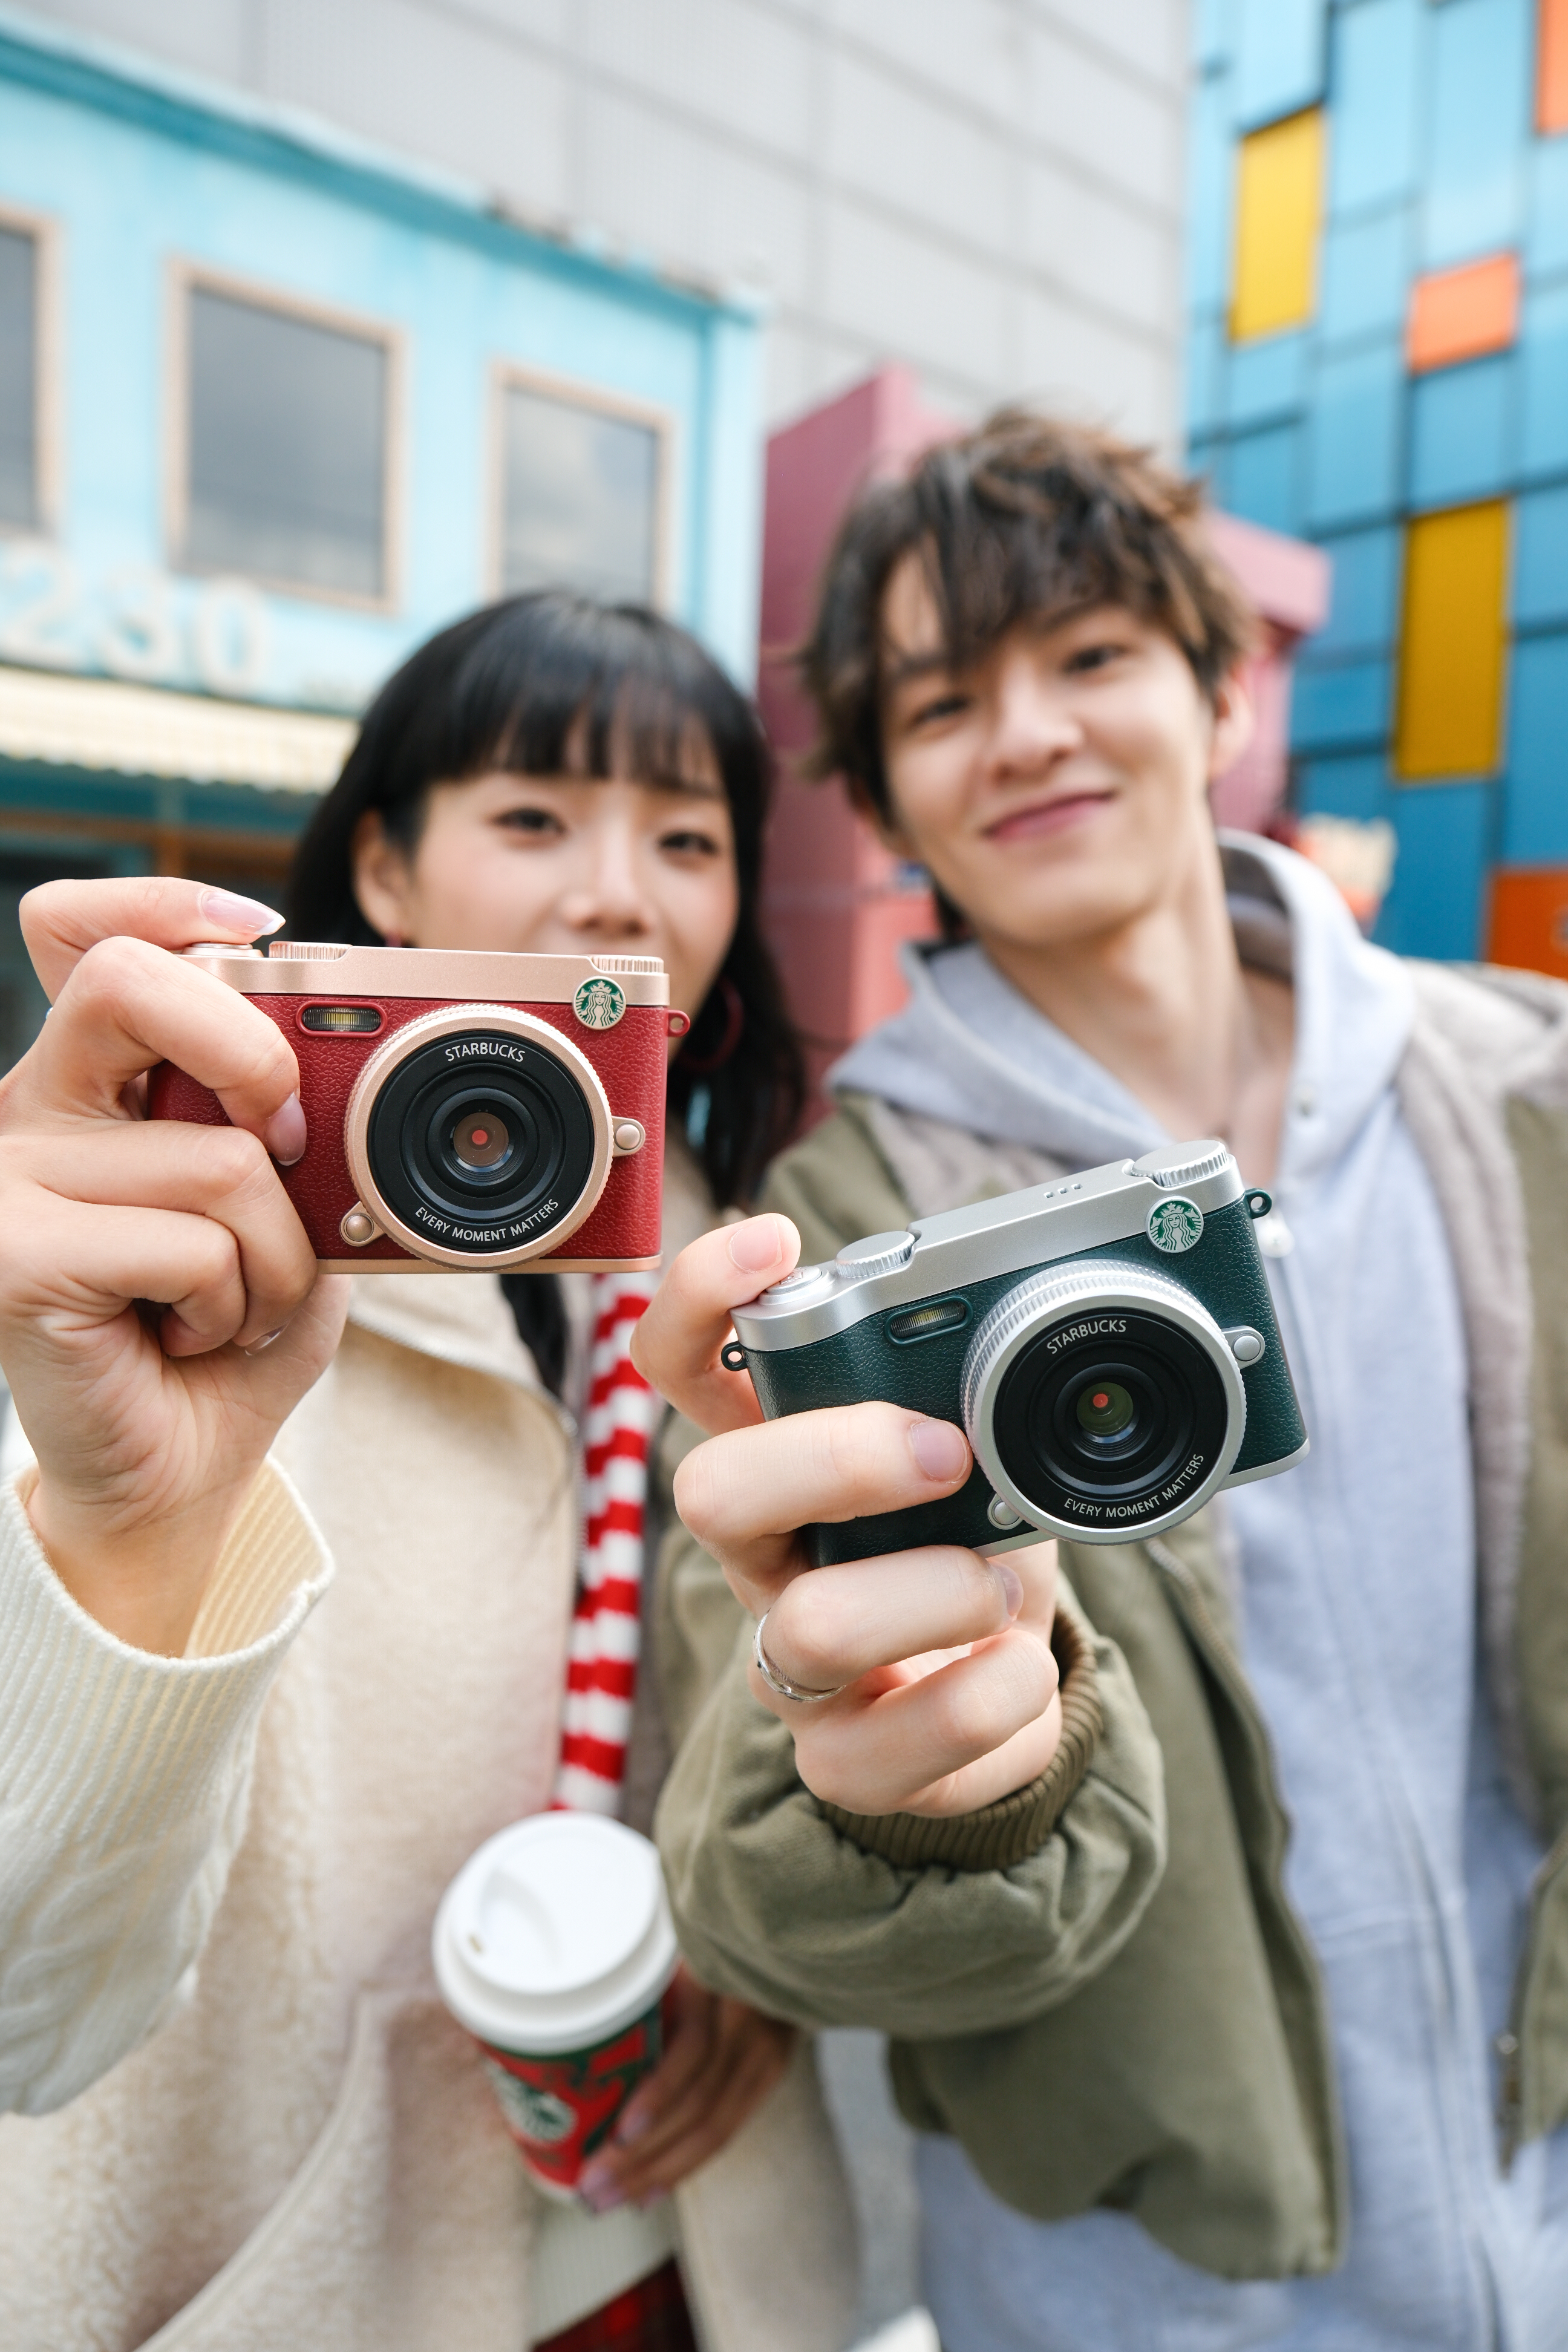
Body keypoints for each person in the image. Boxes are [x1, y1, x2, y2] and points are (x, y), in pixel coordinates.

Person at [638, 414, 1568, 2351]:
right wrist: (926, 1793)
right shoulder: (835, 1247)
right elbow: (764, 1893)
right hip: (1135, 2300)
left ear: (1224, 690)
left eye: (1090, 654)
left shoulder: (1526, 1088)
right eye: (944, 702)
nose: (1030, 734)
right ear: (887, 801)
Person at [0, 593, 858, 2351]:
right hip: (305, 2274)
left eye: (688, 838)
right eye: (534, 815)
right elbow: (26, 2005)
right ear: (383, 870)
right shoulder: (182, 1273)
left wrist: (767, 1956)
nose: (619, 893)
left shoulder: (759, 1278)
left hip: (700, 2252)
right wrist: (124, 1528)